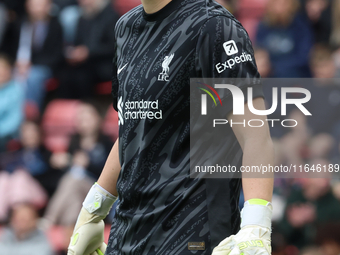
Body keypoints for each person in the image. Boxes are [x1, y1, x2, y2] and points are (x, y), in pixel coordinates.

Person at [68, 1, 274, 255]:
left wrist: (257, 224)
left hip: (193, 233)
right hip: (127, 232)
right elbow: (132, 130)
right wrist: (93, 208)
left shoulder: (214, 26)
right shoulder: (125, 28)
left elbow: (256, 136)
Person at [0, 53, 24, 152]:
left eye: (2, 68)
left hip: (7, 136)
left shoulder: (17, 90)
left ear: (9, 70)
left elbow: (15, 120)